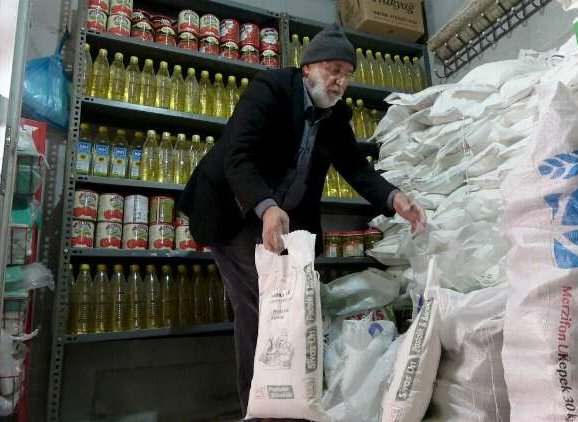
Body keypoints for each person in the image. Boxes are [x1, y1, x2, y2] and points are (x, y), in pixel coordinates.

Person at [179, 22, 426, 419]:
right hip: (233, 210)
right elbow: (238, 156)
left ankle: (290, 397)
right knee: (260, 304)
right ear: (307, 67)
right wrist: (266, 206)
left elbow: (355, 167)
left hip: (283, 218)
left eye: (347, 75)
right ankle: (257, 409)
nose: (340, 82)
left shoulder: (335, 117)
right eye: (333, 70)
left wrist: (395, 197)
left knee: (295, 304)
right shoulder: (271, 90)